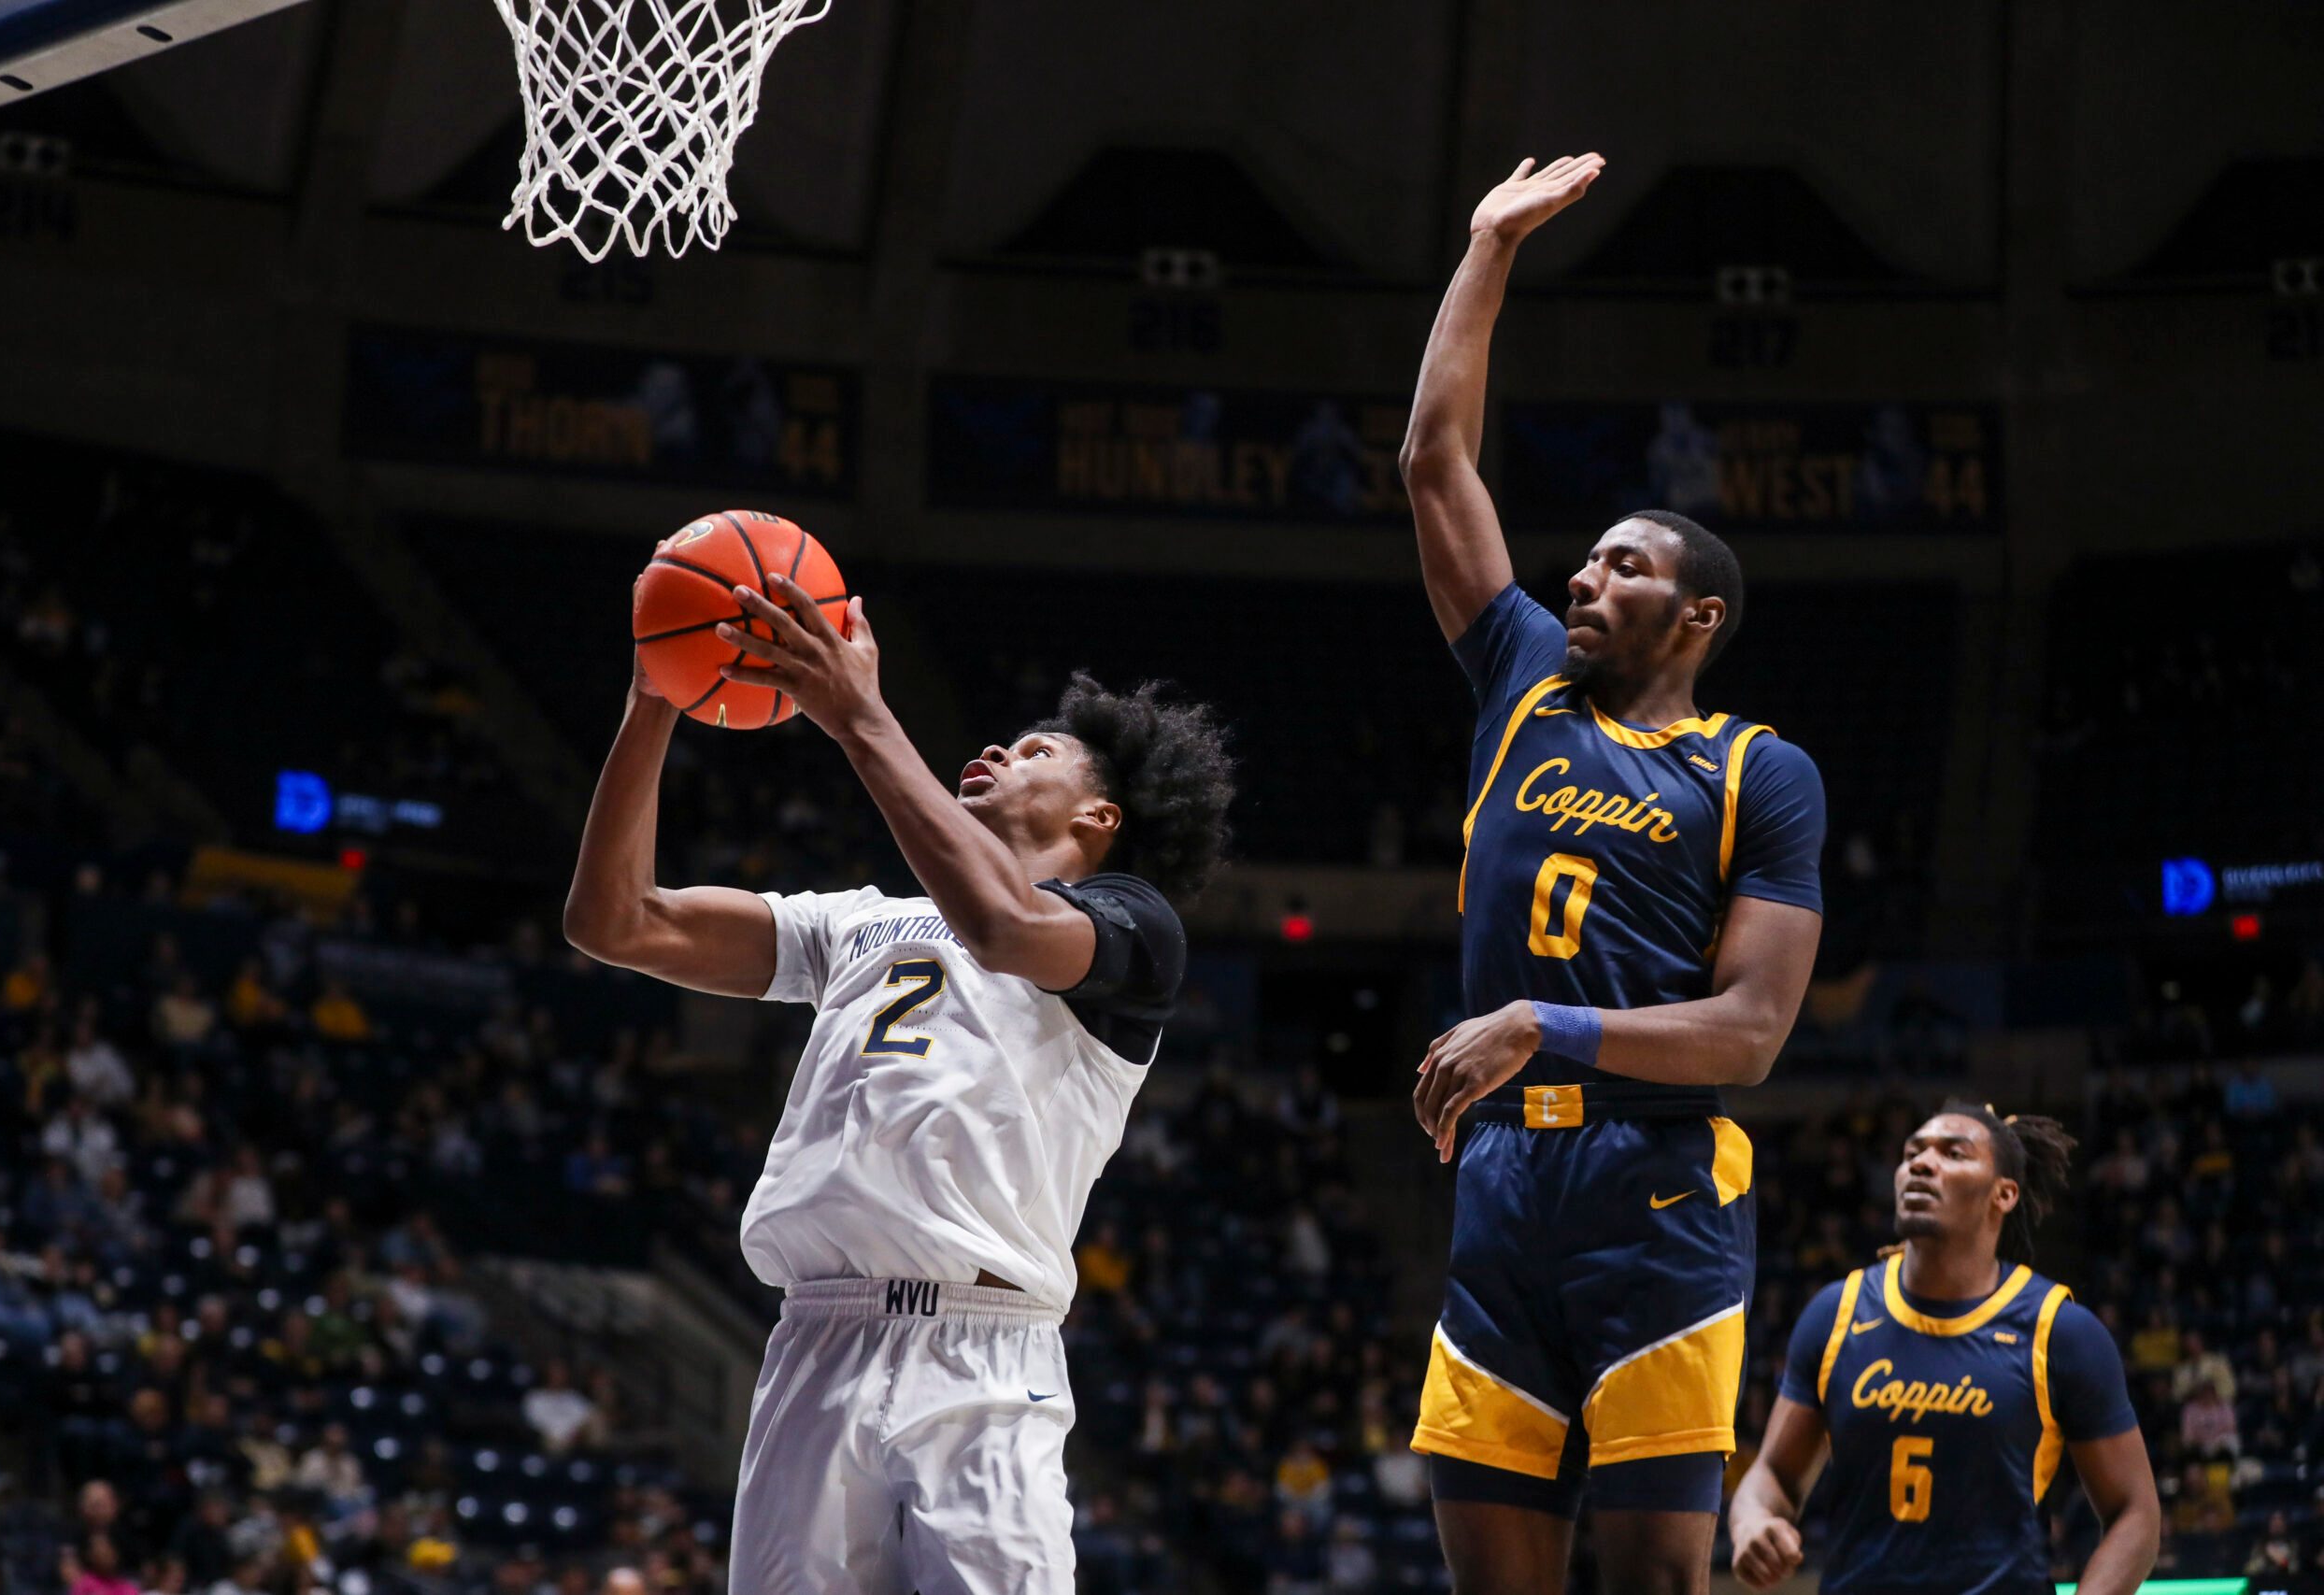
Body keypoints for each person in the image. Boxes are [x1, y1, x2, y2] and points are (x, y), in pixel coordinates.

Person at [563, 549, 1234, 1595]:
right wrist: (654, 697)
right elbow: (616, 921)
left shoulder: (1131, 929)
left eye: (1034, 749)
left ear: (1099, 820)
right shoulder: (859, 921)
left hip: (980, 1354)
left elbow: (1006, 926)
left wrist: (857, 717)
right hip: (813, 1345)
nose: (997, 750)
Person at [1398, 154, 1828, 1592]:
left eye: (1621, 565)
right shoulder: (1523, 679)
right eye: (1580, 560)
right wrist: (1488, 249)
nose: (1582, 577)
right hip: (1503, 1181)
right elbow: (1435, 462)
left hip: (1658, 1190)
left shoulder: (1758, 769)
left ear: (1695, 612)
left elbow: (1751, 1033)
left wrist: (1544, 1022)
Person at [1729, 1104, 2159, 1595]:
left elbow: (2136, 1513)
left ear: (2004, 1194)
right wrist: (1751, 1522)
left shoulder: (2059, 1330)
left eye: (1954, 1154)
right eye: (1912, 1152)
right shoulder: (1836, 1313)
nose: (1921, 1163)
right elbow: (1775, 1477)